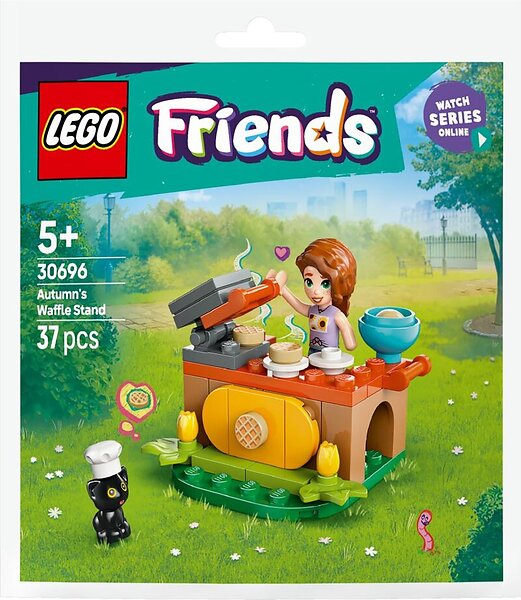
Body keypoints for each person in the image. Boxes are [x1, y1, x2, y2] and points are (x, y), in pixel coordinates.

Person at [268, 238, 357, 354]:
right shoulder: (312, 310)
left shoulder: (336, 314)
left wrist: (349, 339)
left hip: (330, 355)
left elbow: (350, 344)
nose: (315, 291)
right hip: (312, 352)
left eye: (325, 284)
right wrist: (282, 289)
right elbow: (297, 304)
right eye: (309, 282)